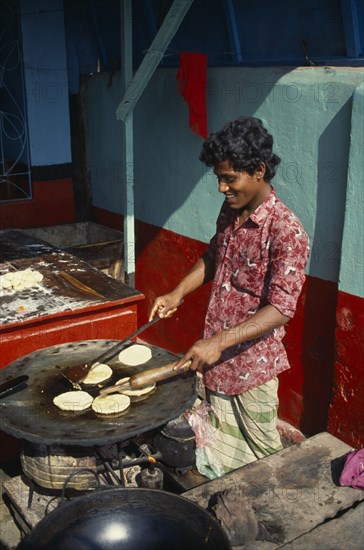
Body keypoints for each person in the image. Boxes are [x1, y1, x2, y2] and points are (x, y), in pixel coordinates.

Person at [149, 116, 309, 474]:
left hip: (252, 369)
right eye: (218, 178)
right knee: (220, 458)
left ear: (259, 171)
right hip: (217, 361)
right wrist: (177, 293)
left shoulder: (287, 230)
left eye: (229, 178)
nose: (221, 187)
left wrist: (220, 340)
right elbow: (213, 254)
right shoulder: (232, 210)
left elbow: (282, 308)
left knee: (263, 462)